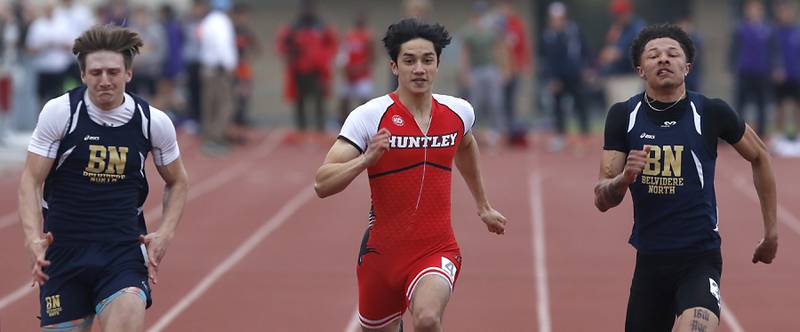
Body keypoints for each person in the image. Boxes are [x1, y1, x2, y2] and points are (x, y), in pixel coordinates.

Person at [314, 18, 507, 331]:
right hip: (381, 256)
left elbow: (466, 145)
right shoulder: (369, 116)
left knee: (428, 319)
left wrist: (483, 205)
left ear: (438, 65)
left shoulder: (459, 112)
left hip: (436, 248)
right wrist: (366, 159)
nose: (419, 69)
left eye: (427, 60)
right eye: (409, 60)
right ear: (394, 67)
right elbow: (322, 183)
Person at [593, 23, 778, 332]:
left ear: (687, 67)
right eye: (653, 55)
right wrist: (624, 179)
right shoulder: (624, 116)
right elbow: (601, 198)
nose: (663, 59)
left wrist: (771, 232)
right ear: (640, 69)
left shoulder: (711, 112)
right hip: (650, 262)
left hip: (699, 258)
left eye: (672, 54)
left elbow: (760, 155)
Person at [18, 25, 189, 331]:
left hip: (121, 253)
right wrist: (33, 238)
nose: (105, 81)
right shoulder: (61, 114)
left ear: (129, 74)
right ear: (83, 75)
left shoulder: (152, 121)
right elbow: (30, 180)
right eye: (96, 73)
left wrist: (166, 233)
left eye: (113, 71)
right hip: (64, 254)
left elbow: (177, 181)